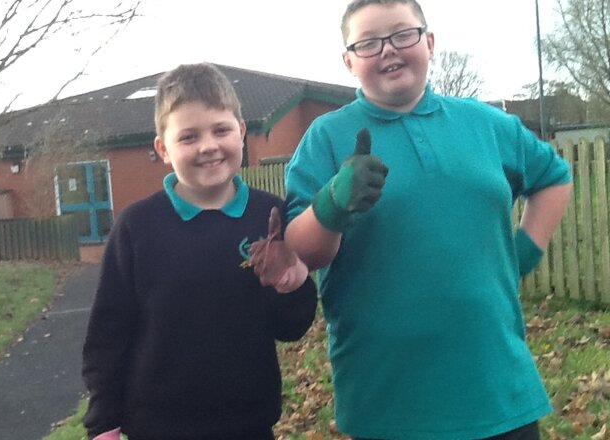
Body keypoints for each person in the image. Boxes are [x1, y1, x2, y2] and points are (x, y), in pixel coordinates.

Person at [282, 1, 574, 439]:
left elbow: (554, 177)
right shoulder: (325, 137)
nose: (388, 50)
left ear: (430, 42)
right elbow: (303, 251)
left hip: (498, 391)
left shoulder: (486, 124)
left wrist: (525, 252)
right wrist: (332, 205)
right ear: (348, 61)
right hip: (388, 401)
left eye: (403, 34)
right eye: (368, 43)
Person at [81, 62, 317, 440]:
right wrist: (103, 423)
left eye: (221, 130)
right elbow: (108, 334)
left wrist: (295, 287)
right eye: (188, 137)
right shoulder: (137, 227)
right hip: (157, 428)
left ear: (241, 131)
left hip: (249, 426)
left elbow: (290, 328)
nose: (208, 146)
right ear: (163, 148)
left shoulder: (271, 217)